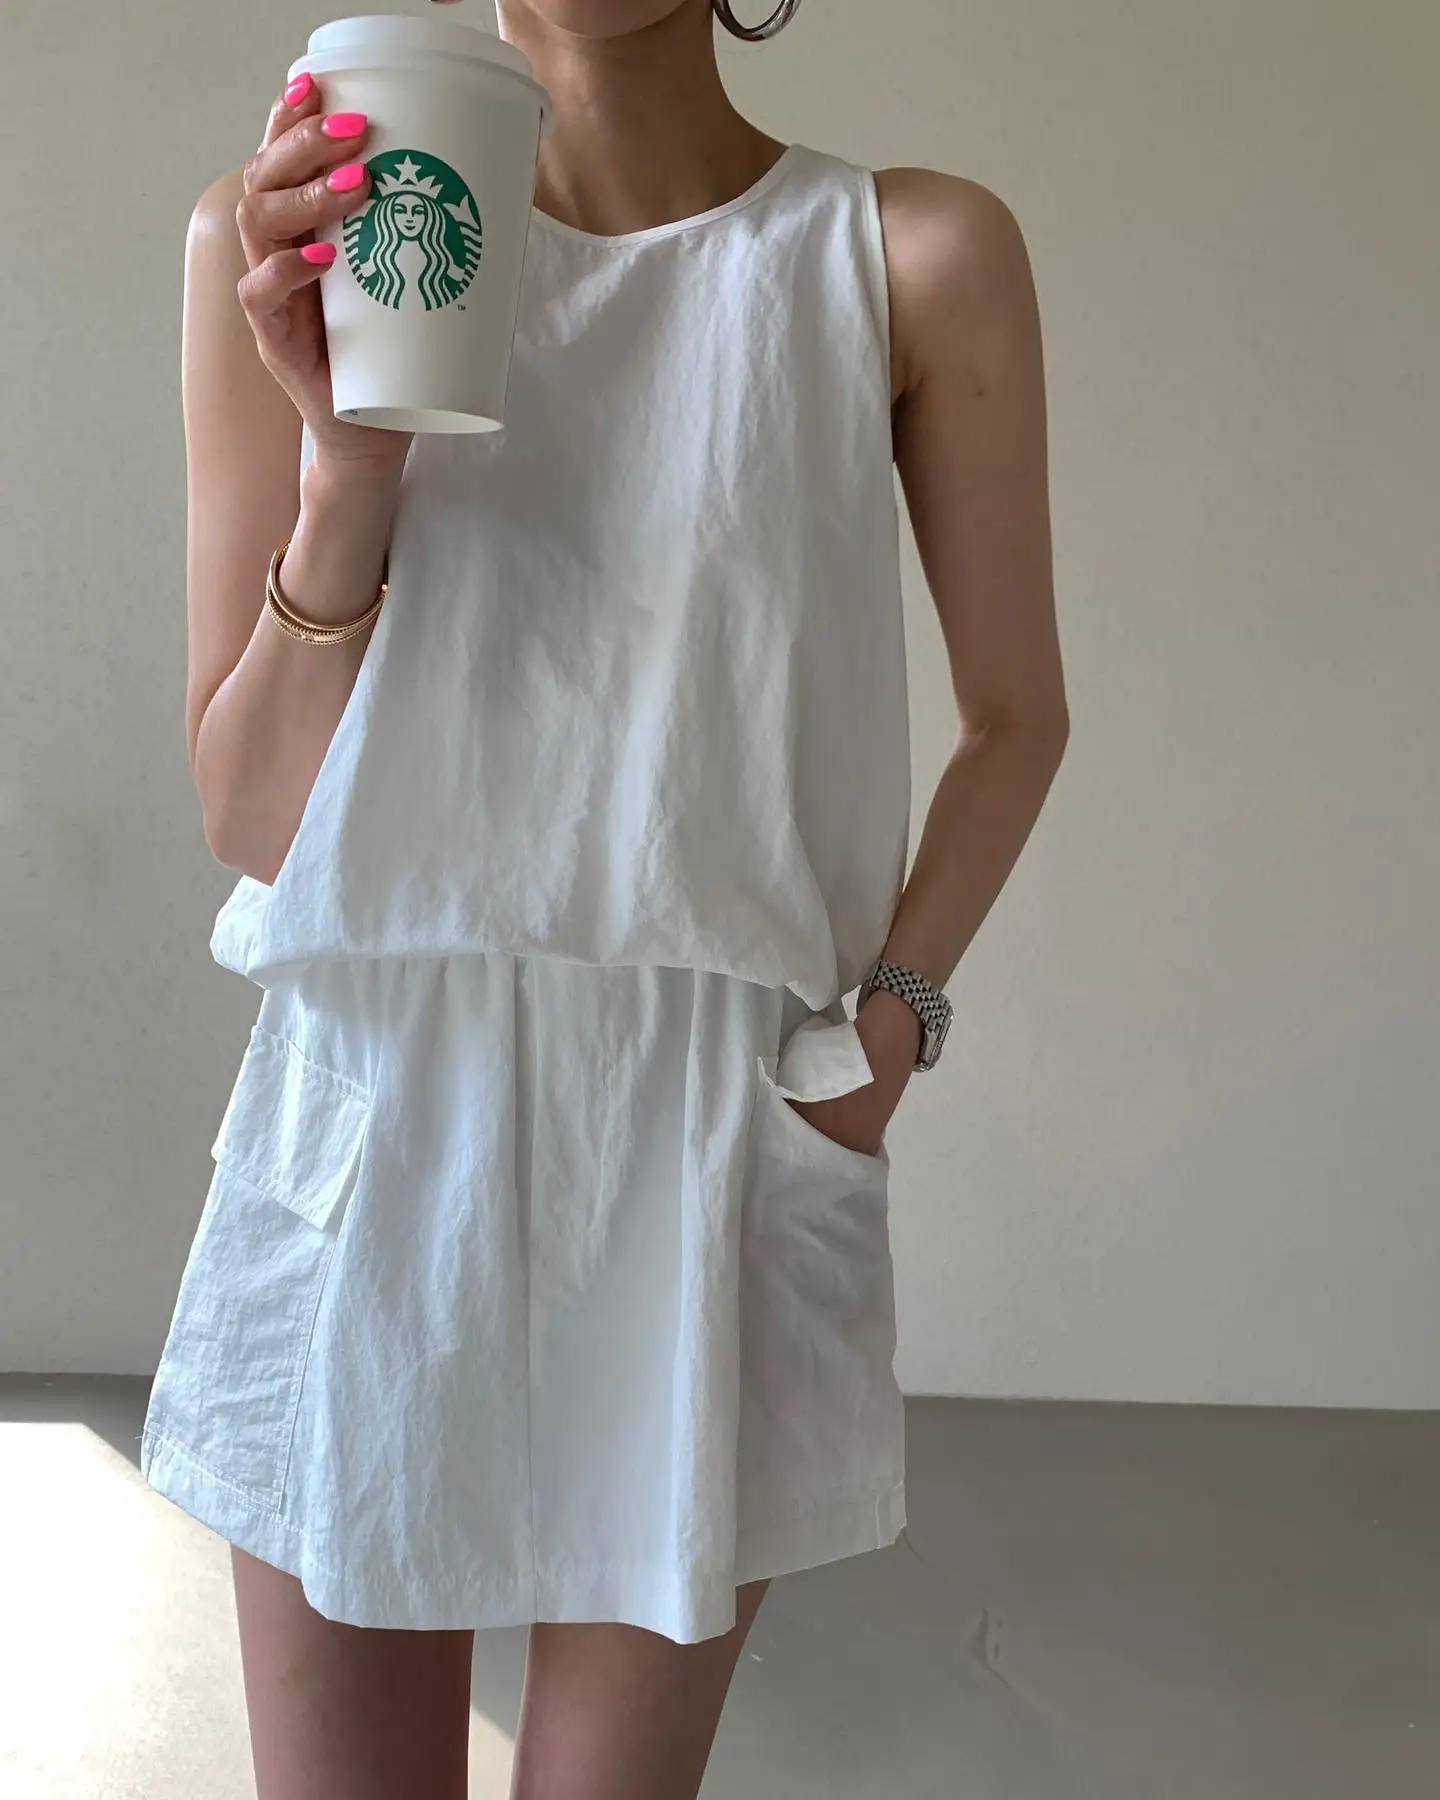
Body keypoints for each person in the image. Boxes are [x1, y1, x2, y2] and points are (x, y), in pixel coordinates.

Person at [140, 0, 1068, 1794]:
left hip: (708, 1152)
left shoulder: (905, 257)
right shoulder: (286, 237)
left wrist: (882, 1046)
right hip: (372, 1127)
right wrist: (349, 465)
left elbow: (1016, 716)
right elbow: (253, 817)